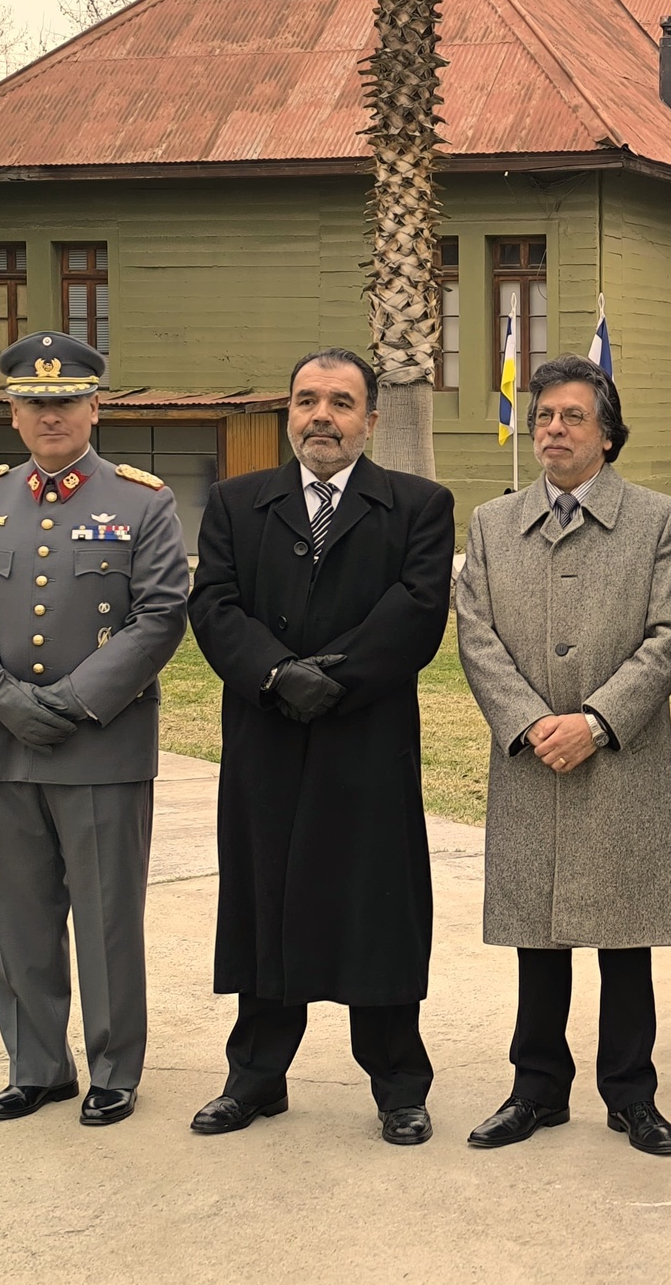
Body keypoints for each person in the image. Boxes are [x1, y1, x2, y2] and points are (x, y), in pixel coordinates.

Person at [186, 347, 454, 1145]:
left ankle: (400, 1084)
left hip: (365, 741)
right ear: (288, 414)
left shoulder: (417, 505)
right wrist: (276, 673)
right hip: (267, 737)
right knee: (266, 902)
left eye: (341, 403)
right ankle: (256, 1078)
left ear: (370, 420)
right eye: (307, 401)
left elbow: (417, 608)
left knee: (375, 909)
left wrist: (333, 679)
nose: (321, 417)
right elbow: (214, 604)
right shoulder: (238, 504)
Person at [0, 332, 190, 1127]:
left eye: (67, 401)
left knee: (107, 918)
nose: (52, 416)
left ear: (95, 407)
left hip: (101, 744)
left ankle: (114, 1068)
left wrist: (74, 703)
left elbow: (161, 614)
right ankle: (36, 1065)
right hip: (4, 744)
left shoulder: (143, 502)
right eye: (36, 403)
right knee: (20, 919)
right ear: (12, 412)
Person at [455, 355, 671, 1156]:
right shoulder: (492, 524)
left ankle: (632, 1095)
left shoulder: (659, 521)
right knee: (538, 935)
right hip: (529, 760)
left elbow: (670, 638)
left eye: (573, 417)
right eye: (545, 417)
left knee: (626, 937)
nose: (553, 430)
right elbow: (476, 636)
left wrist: (595, 721)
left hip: (618, 758)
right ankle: (536, 1091)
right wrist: (528, 722)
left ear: (608, 434)